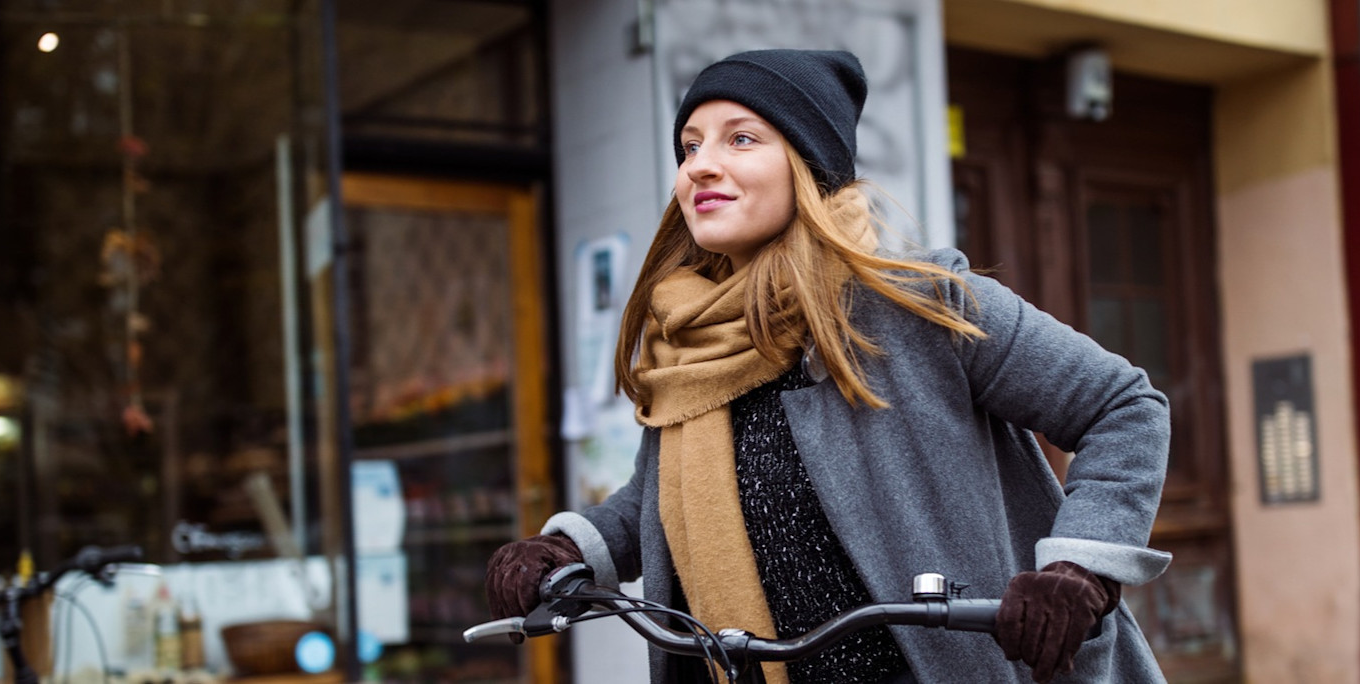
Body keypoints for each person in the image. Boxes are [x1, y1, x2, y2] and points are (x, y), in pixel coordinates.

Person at [485, 49, 1171, 684]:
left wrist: (1079, 568)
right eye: (690, 146)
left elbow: (1124, 407)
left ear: (809, 165)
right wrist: (568, 551)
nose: (699, 164)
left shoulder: (920, 304)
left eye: (740, 138)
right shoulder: (688, 341)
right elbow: (655, 501)